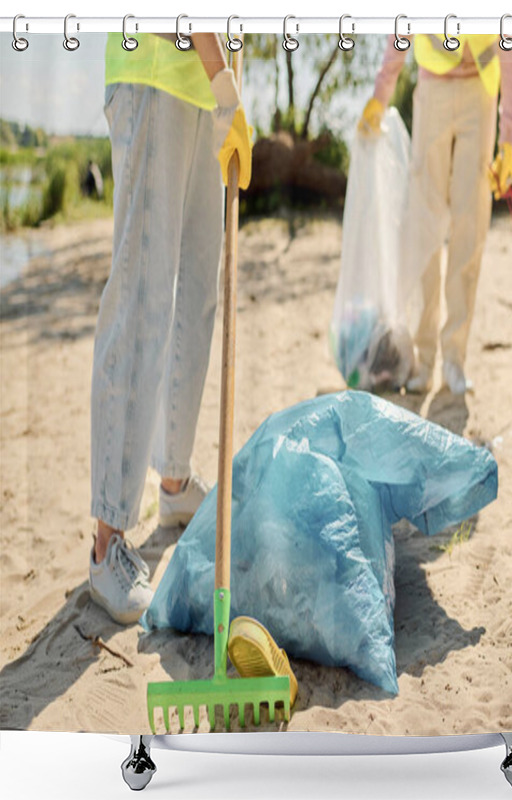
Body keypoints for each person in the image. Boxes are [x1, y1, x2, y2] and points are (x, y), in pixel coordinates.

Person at [89, 32, 253, 624]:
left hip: (202, 92)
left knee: (197, 298)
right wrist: (223, 82)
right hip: (155, 69)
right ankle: (108, 538)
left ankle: (174, 478)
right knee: (142, 302)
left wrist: (224, 89)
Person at [359, 33, 512, 395]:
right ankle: (424, 356)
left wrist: (509, 137)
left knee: (471, 222)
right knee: (424, 224)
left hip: (479, 89)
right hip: (432, 90)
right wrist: (380, 94)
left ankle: (454, 358)